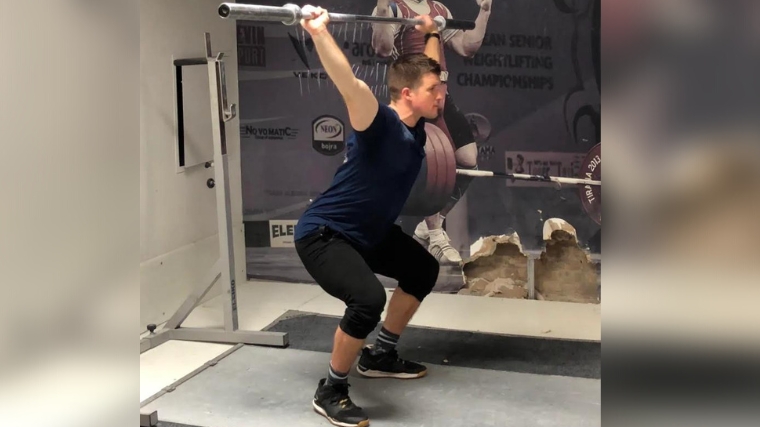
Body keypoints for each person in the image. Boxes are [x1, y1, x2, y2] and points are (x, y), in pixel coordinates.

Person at [292, 6, 444, 427]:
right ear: (407, 94)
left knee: (422, 270)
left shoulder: (418, 125)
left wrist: (431, 32)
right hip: (326, 234)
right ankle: (332, 388)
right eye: (433, 89)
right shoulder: (378, 123)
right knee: (367, 301)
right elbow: (349, 83)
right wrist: (319, 31)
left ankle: (380, 355)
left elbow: (431, 68)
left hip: (370, 233)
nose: (441, 94)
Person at [371, 0, 493, 265]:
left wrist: (484, 11)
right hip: (413, 99)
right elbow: (382, 49)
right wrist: (381, 9)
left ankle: (430, 226)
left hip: (441, 95)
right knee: (433, 166)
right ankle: (437, 236)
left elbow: (465, 46)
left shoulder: (440, 10)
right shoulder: (393, 9)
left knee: (468, 162)